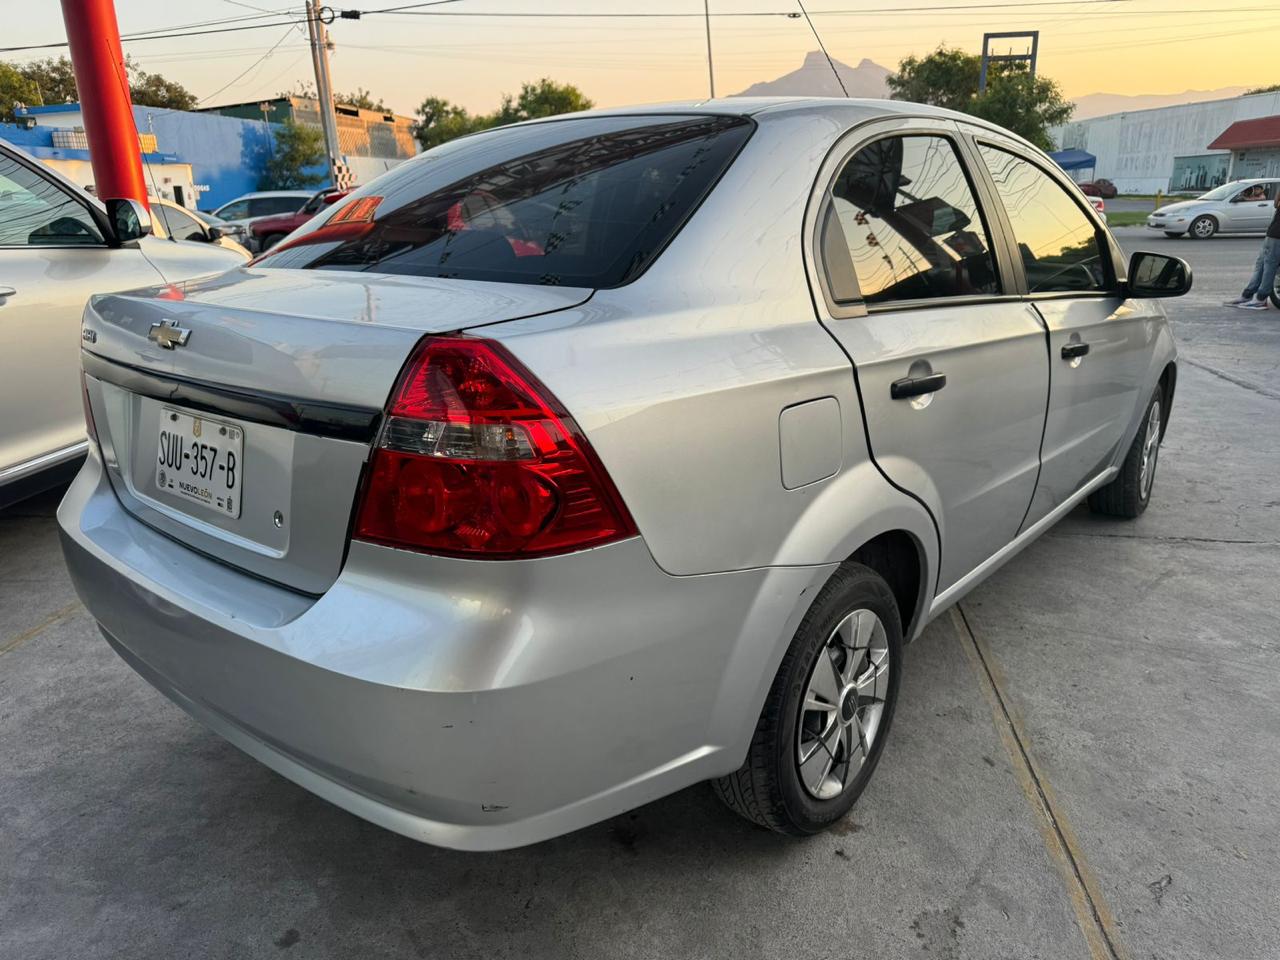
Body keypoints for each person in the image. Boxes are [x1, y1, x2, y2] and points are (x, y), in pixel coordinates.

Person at [1226, 194, 1280, 310]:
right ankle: (1248, 295)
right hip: (1273, 233)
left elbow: (1276, 203)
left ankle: (1261, 298)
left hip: (1277, 235)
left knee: (1270, 266)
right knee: (1261, 264)